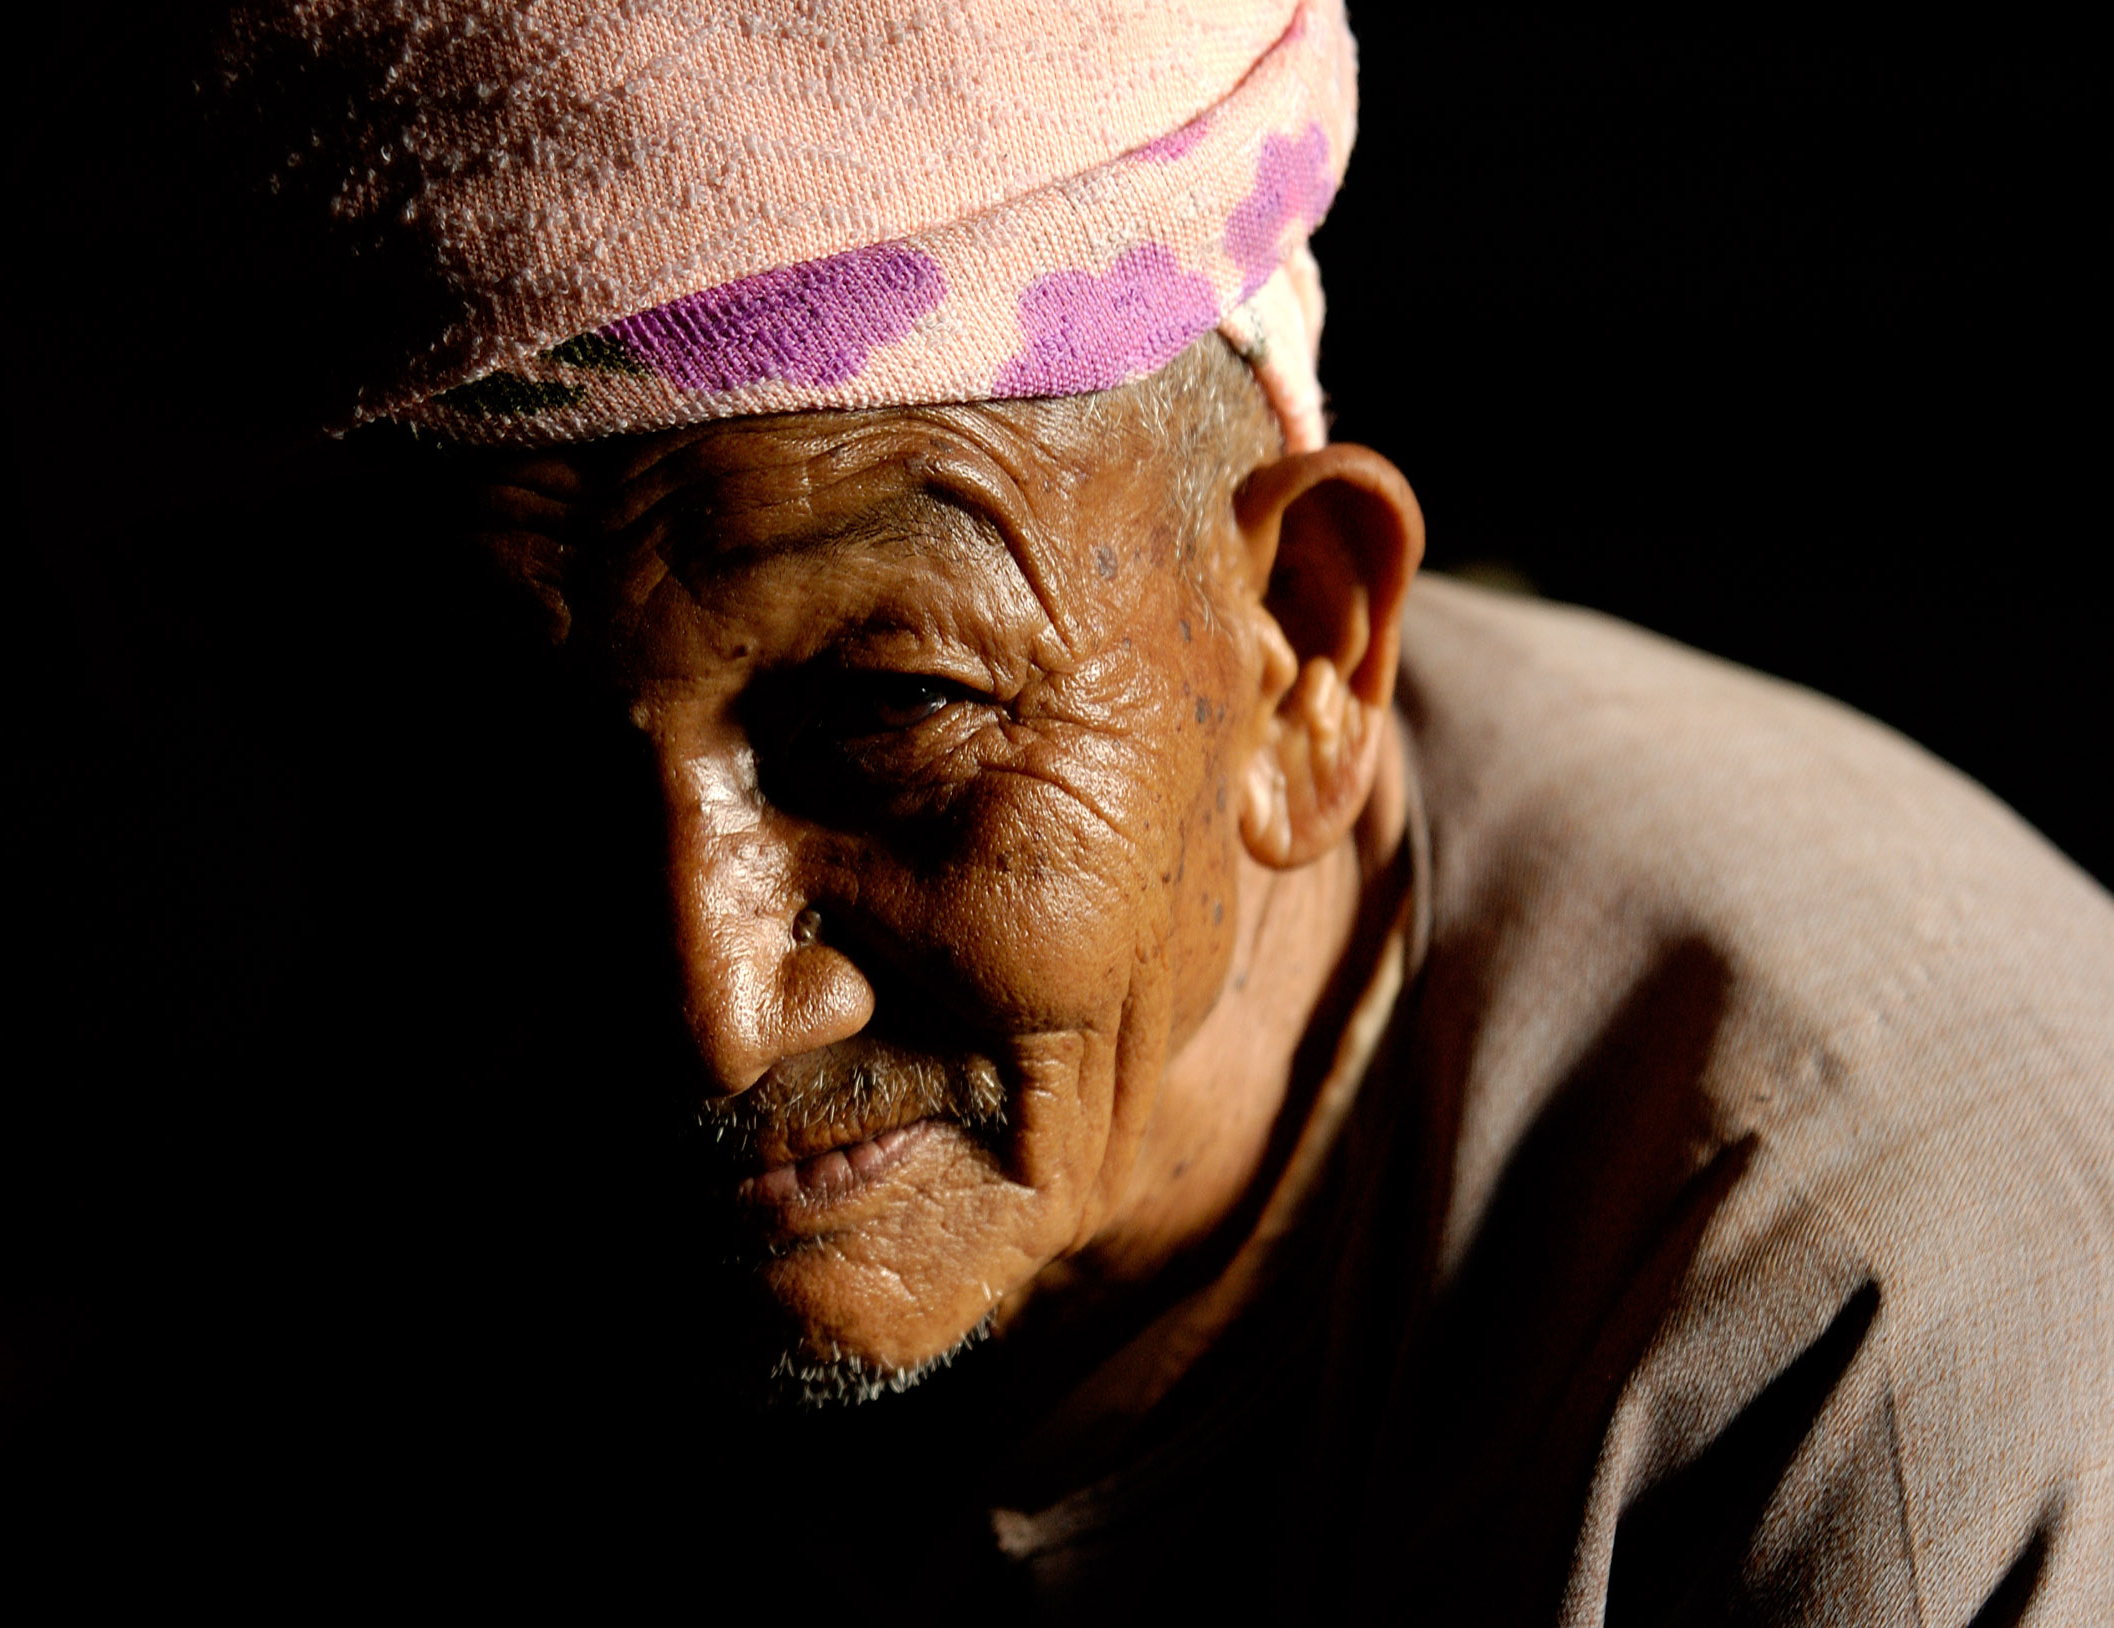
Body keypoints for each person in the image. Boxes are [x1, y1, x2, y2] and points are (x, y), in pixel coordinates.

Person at [207, 2, 2114, 1620]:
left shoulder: (1876, 1324)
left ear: (1300, 648)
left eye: (886, 720)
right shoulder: (397, 1107)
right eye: (501, 768)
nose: (713, 1009)